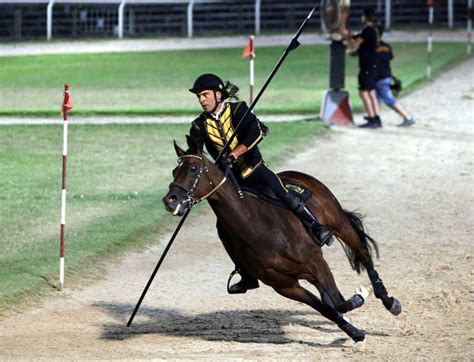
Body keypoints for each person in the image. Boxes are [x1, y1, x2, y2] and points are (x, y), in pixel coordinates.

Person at [188, 73, 334, 294]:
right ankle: (245, 274)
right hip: (233, 181)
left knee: (283, 194)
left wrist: (236, 153)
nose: (202, 100)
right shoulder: (199, 125)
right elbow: (196, 153)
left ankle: (316, 227)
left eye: (205, 95)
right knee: (223, 226)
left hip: (255, 170)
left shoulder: (238, 110)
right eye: (199, 96)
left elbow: (258, 131)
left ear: (218, 94)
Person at [375, 24, 415, 127]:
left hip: (379, 77)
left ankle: (407, 117)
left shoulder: (371, 47)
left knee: (389, 100)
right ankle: (375, 119)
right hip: (386, 75)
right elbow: (390, 60)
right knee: (377, 99)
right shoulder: (386, 46)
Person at [348, 8, 382, 128]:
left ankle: (372, 119)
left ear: (366, 17)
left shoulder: (368, 30)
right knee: (371, 92)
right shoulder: (373, 30)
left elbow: (354, 44)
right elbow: (359, 38)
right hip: (372, 65)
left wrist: (347, 37)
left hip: (366, 66)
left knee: (364, 92)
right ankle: (376, 118)